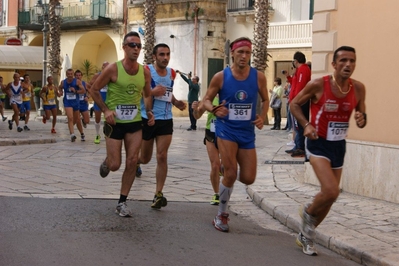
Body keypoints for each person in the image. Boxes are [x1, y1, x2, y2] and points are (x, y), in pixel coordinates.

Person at [290, 46, 366, 256]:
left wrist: (361, 119)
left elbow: (362, 114)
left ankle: (306, 234)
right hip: (318, 143)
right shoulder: (318, 84)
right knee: (332, 190)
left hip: (338, 146)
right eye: (343, 60)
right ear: (334, 64)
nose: (347, 65)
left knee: (330, 197)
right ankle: (307, 213)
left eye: (352, 61)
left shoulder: (358, 88)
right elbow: (294, 104)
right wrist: (306, 124)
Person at [201, 37, 269, 232]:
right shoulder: (221, 77)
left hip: (246, 132)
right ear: (232, 53)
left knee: (248, 178)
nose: (244, 56)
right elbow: (205, 100)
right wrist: (214, 109)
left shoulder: (258, 77)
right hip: (226, 130)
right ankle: (221, 215)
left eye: (247, 52)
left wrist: (262, 117)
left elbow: (265, 100)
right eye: (240, 52)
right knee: (231, 173)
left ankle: (227, 170)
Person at [89, 31, 154, 217]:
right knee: (116, 164)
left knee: (133, 160)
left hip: (134, 122)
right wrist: (106, 110)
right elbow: (93, 90)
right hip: (114, 122)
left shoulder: (145, 72)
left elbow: (147, 94)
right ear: (124, 47)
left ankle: (122, 202)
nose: (136, 49)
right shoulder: (112, 69)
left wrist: (149, 112)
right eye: (132, 45)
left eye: (139, 46)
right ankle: (108, 162)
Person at [136, 43, 186, 209]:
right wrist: (151, 96)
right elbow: (142, 92)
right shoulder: (146, 71)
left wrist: (176, 102)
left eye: (167, 54)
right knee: (145, 158)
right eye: (162, 54)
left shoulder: (171, 73)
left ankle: (158, 194)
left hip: (165, 119)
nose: (165, 58)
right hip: (147, 117)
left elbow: (166, 93)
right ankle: (136, 162)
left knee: (162, 156)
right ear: (154, 57)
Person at [192, 96, 222, 205]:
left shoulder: (230, 95)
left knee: (225, 166)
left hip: (227, 135)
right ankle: (217, 193)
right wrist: (195, 109)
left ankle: (225, 189)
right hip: (211, 133)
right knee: (215, 165)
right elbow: (197, 116)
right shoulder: (209, 97)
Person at [284, 52, 311, 157]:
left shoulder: (303, 70)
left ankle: (300, 148)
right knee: (296, 126)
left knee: (299, 125)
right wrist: (288, 76)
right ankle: (297, 146)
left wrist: (295, 101)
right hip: (295, 102)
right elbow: (295, 83)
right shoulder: (298, 71)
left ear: (296, 61)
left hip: (299, 103)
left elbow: (301, 86)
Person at [58, 68, 86, 142]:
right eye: (68, 74)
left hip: (75, 102)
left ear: (73, 74)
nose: (70, 75)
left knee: (76, 119)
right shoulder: (63, 82)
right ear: (66, 74)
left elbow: (83, 90)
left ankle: (82, 133)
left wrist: (76, 91)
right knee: (70, 117)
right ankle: (72, 134)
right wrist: (60, 92)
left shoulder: (77, 82)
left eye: (71, 74)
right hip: (67, 102)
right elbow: (59, 87)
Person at [88, 61, 109, 144]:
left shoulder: (111, 75)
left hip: (108, 99)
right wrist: (91, 94)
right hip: (99, 99)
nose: (107, 69)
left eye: (108, 67)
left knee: (109, 118)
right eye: (105, 67)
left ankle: (107, 134)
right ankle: (97, 134)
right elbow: (89, 85)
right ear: (102, 68)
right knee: (97, 118)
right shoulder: (97, 75)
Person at [74, 69, 88, 141]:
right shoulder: (73, 83)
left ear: (81, 76)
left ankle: (84, 121)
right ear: (74, 76)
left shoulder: (84, 83)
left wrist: (87, 97)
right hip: (76, 103)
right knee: (77, 119)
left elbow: (91, 90)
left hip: (83, 103)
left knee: (87, 121)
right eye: (76, 75)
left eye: (79, 75)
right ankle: (82, 134)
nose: (78, 77)